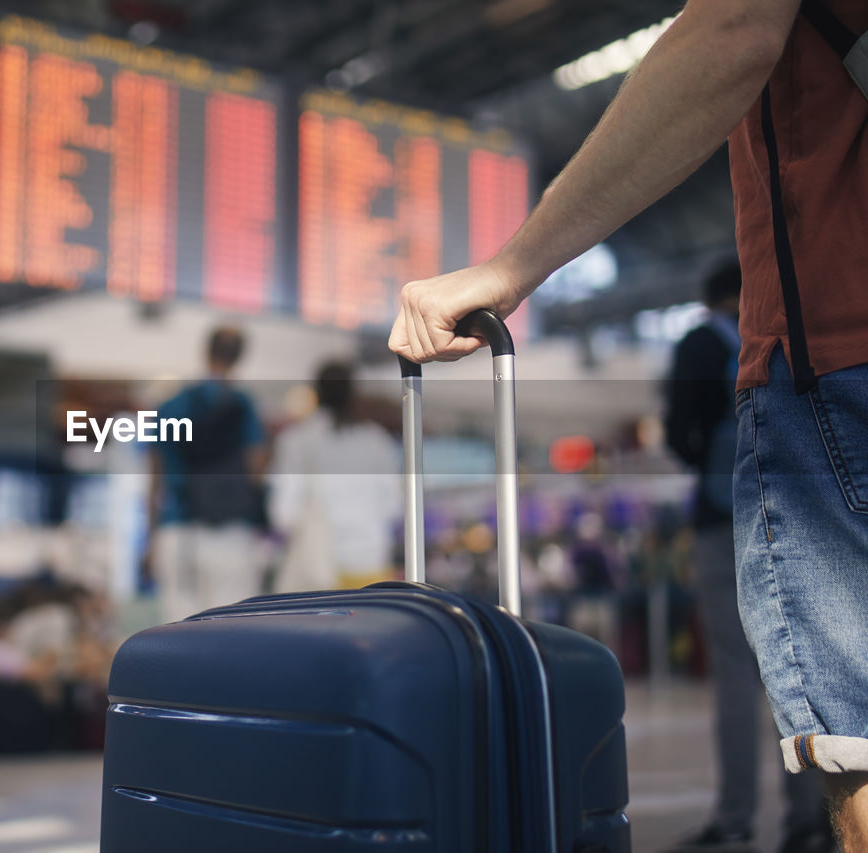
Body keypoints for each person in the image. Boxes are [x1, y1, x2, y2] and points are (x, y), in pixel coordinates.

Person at [388, 1, 868, 847]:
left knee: (855, 746)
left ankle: (740, 815)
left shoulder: (705, 342)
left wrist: (511, 267)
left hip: (838, 348)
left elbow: (735, 28)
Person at [666, 261, 831, 849]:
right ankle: (812, 823)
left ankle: (735, 820)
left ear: (711, 297)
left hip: (723, 520)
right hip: (798, 518)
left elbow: (677, 433)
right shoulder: (791, 336)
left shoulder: (700, 344)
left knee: (736, 677)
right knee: (807, 673)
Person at [148, 326, 268, 622]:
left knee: (175, 631)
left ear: (206, 351)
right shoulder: (244, 407)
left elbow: (154, 479)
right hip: (230, 533)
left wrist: (152, 538)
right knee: (229, 633)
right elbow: (255, 470)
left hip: (177, 529)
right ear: (240, 357)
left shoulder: (170, 406)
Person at [268, 361, 401, 591]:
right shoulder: (377, 441)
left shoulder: (297, 440)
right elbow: (394, 506)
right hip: (369, 561)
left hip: (317, 565)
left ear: (317, 392)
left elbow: (283, 513)